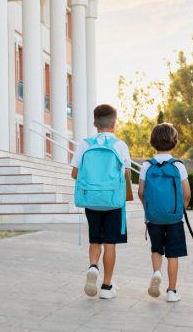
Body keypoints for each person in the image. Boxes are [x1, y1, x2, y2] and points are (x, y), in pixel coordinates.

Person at [71, 104, 131, 299]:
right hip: (113, 201)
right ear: (114, 123)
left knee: (95, 239)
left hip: (92, 200)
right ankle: (106, 286)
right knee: (110, 242)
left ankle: (93, 266)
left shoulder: (84, 144)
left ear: (95, 123)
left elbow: (74, 173)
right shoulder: (120, 145)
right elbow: (127, 175)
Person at [138, 123, 191, 302]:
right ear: (174, 142)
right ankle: (172, 291)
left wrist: (148, 210)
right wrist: (179, 210)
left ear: (152, 142)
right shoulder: (178, 165)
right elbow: (187, 193)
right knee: (172, 254)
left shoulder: (146, 165)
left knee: (156, 249)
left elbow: (141, 192)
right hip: (174, 217)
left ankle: (157, 273)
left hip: (153, 217)